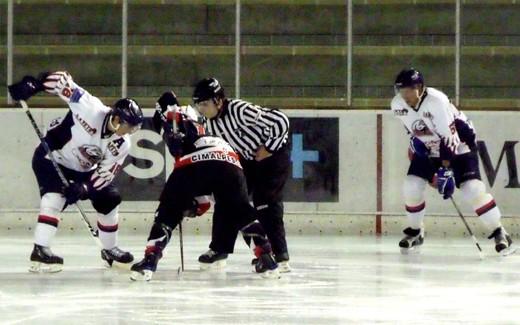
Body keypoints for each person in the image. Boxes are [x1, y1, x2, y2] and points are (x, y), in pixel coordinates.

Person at [130, 91, 279, 281]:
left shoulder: (178, 116)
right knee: (240, 211)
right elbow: (205, 198)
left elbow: (171, 109)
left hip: (195, 160)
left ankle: (149, 261)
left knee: (168, 212)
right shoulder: (201, 122)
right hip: (228, 159)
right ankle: (266, 259)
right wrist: (193, 206)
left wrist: (175, 133)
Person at [8, 71, 143, 272]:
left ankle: (109, 249)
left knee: (110, 199)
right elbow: (63, 80)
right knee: (54, 198)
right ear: (117, 118)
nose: (130, 132)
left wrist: (85, 188)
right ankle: (40, 249)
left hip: (84, 169)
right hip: (53, 157)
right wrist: (34, 85)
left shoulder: (122, 144)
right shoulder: (91, 108)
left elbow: (105, 174)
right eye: (129, 127)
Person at [390, 68, 514, 255]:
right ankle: (416, 231)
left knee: (472, 190)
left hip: (461, 146)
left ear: (420, 87)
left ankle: (499, 230)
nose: (405, 95)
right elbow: (412, 130)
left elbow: (451, 139)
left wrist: (446, 169)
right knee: (411, 186)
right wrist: (417, 144)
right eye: (401, 91)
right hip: (431, 146)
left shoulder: (437, 102)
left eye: (409, 90)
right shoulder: (397, 104)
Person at [192, 78, 292, 272]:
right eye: (198, 105)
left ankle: (279, 256)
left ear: (219, 101)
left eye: (205, 104)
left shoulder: (240, 110)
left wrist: (269, 148)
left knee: (265, 201)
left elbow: (281, 121)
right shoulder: (206, 122)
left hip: (273, 155)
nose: (201, 109)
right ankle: (219, 249)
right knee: (227, 196)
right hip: (249, 158)